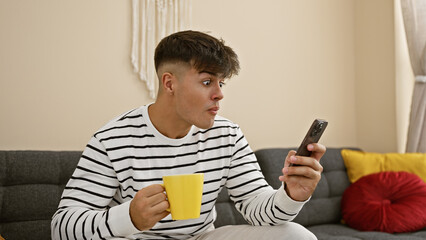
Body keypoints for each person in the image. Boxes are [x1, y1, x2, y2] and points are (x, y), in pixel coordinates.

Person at [51, 30, 325, 240]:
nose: (219, 93)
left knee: (296, 235)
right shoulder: (113, 139)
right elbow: (62, 227)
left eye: (221, 82)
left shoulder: (226, 135)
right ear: (169, 83)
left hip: (202, 237)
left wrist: (292, 194)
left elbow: (258, 209)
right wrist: (130, 218)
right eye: (207, 82)